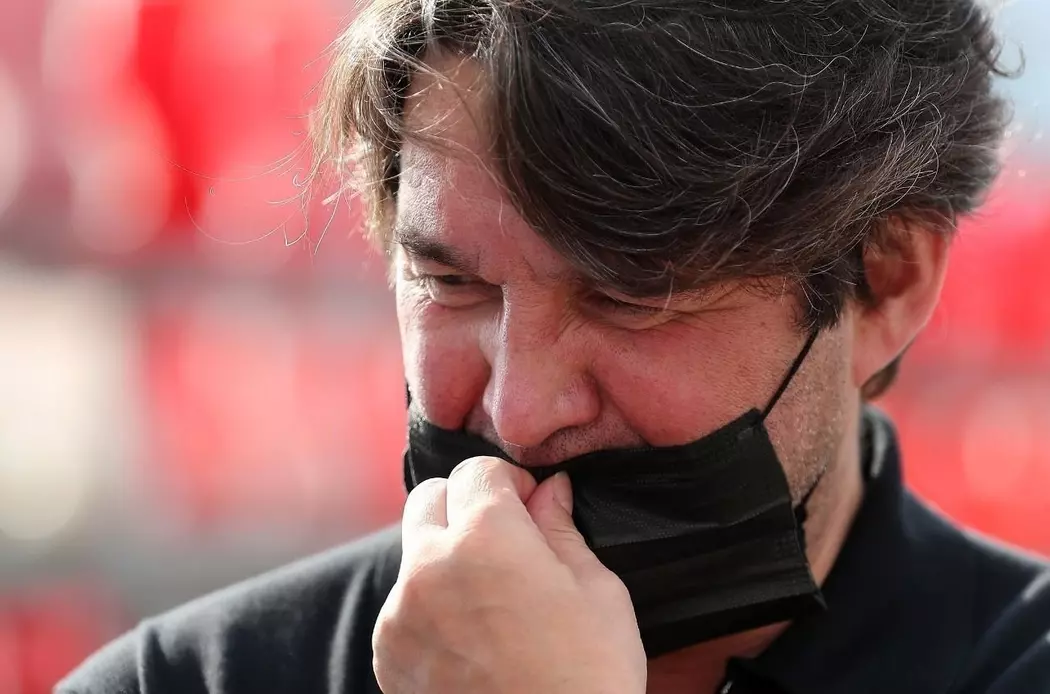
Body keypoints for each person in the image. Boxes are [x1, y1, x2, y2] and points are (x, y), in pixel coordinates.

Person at [58, 1, 1050, 693]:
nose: (521, 411)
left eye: (630, 298)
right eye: (453, 284)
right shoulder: (184, 681)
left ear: (887, 281)